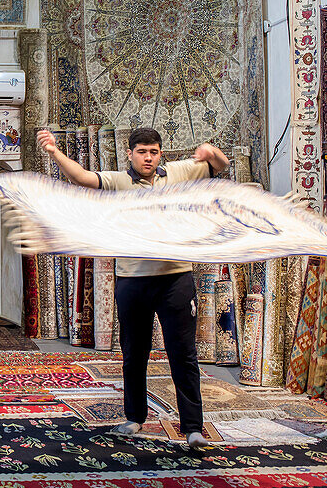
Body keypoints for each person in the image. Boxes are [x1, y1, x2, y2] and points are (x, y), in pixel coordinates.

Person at [35, 127, 229, 447]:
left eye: (153, 152)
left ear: (160, 153)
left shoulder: (179, 172)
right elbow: (82, 178)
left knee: (183, 353)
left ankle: (193, 428)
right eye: (142, 152)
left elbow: (219, 165)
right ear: (130, 154)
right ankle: (135, 418)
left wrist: (211, 151)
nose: (148, 157)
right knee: (133, 354)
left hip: (175, 279)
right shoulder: (118, 181)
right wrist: (54, 152)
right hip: (133, 280)